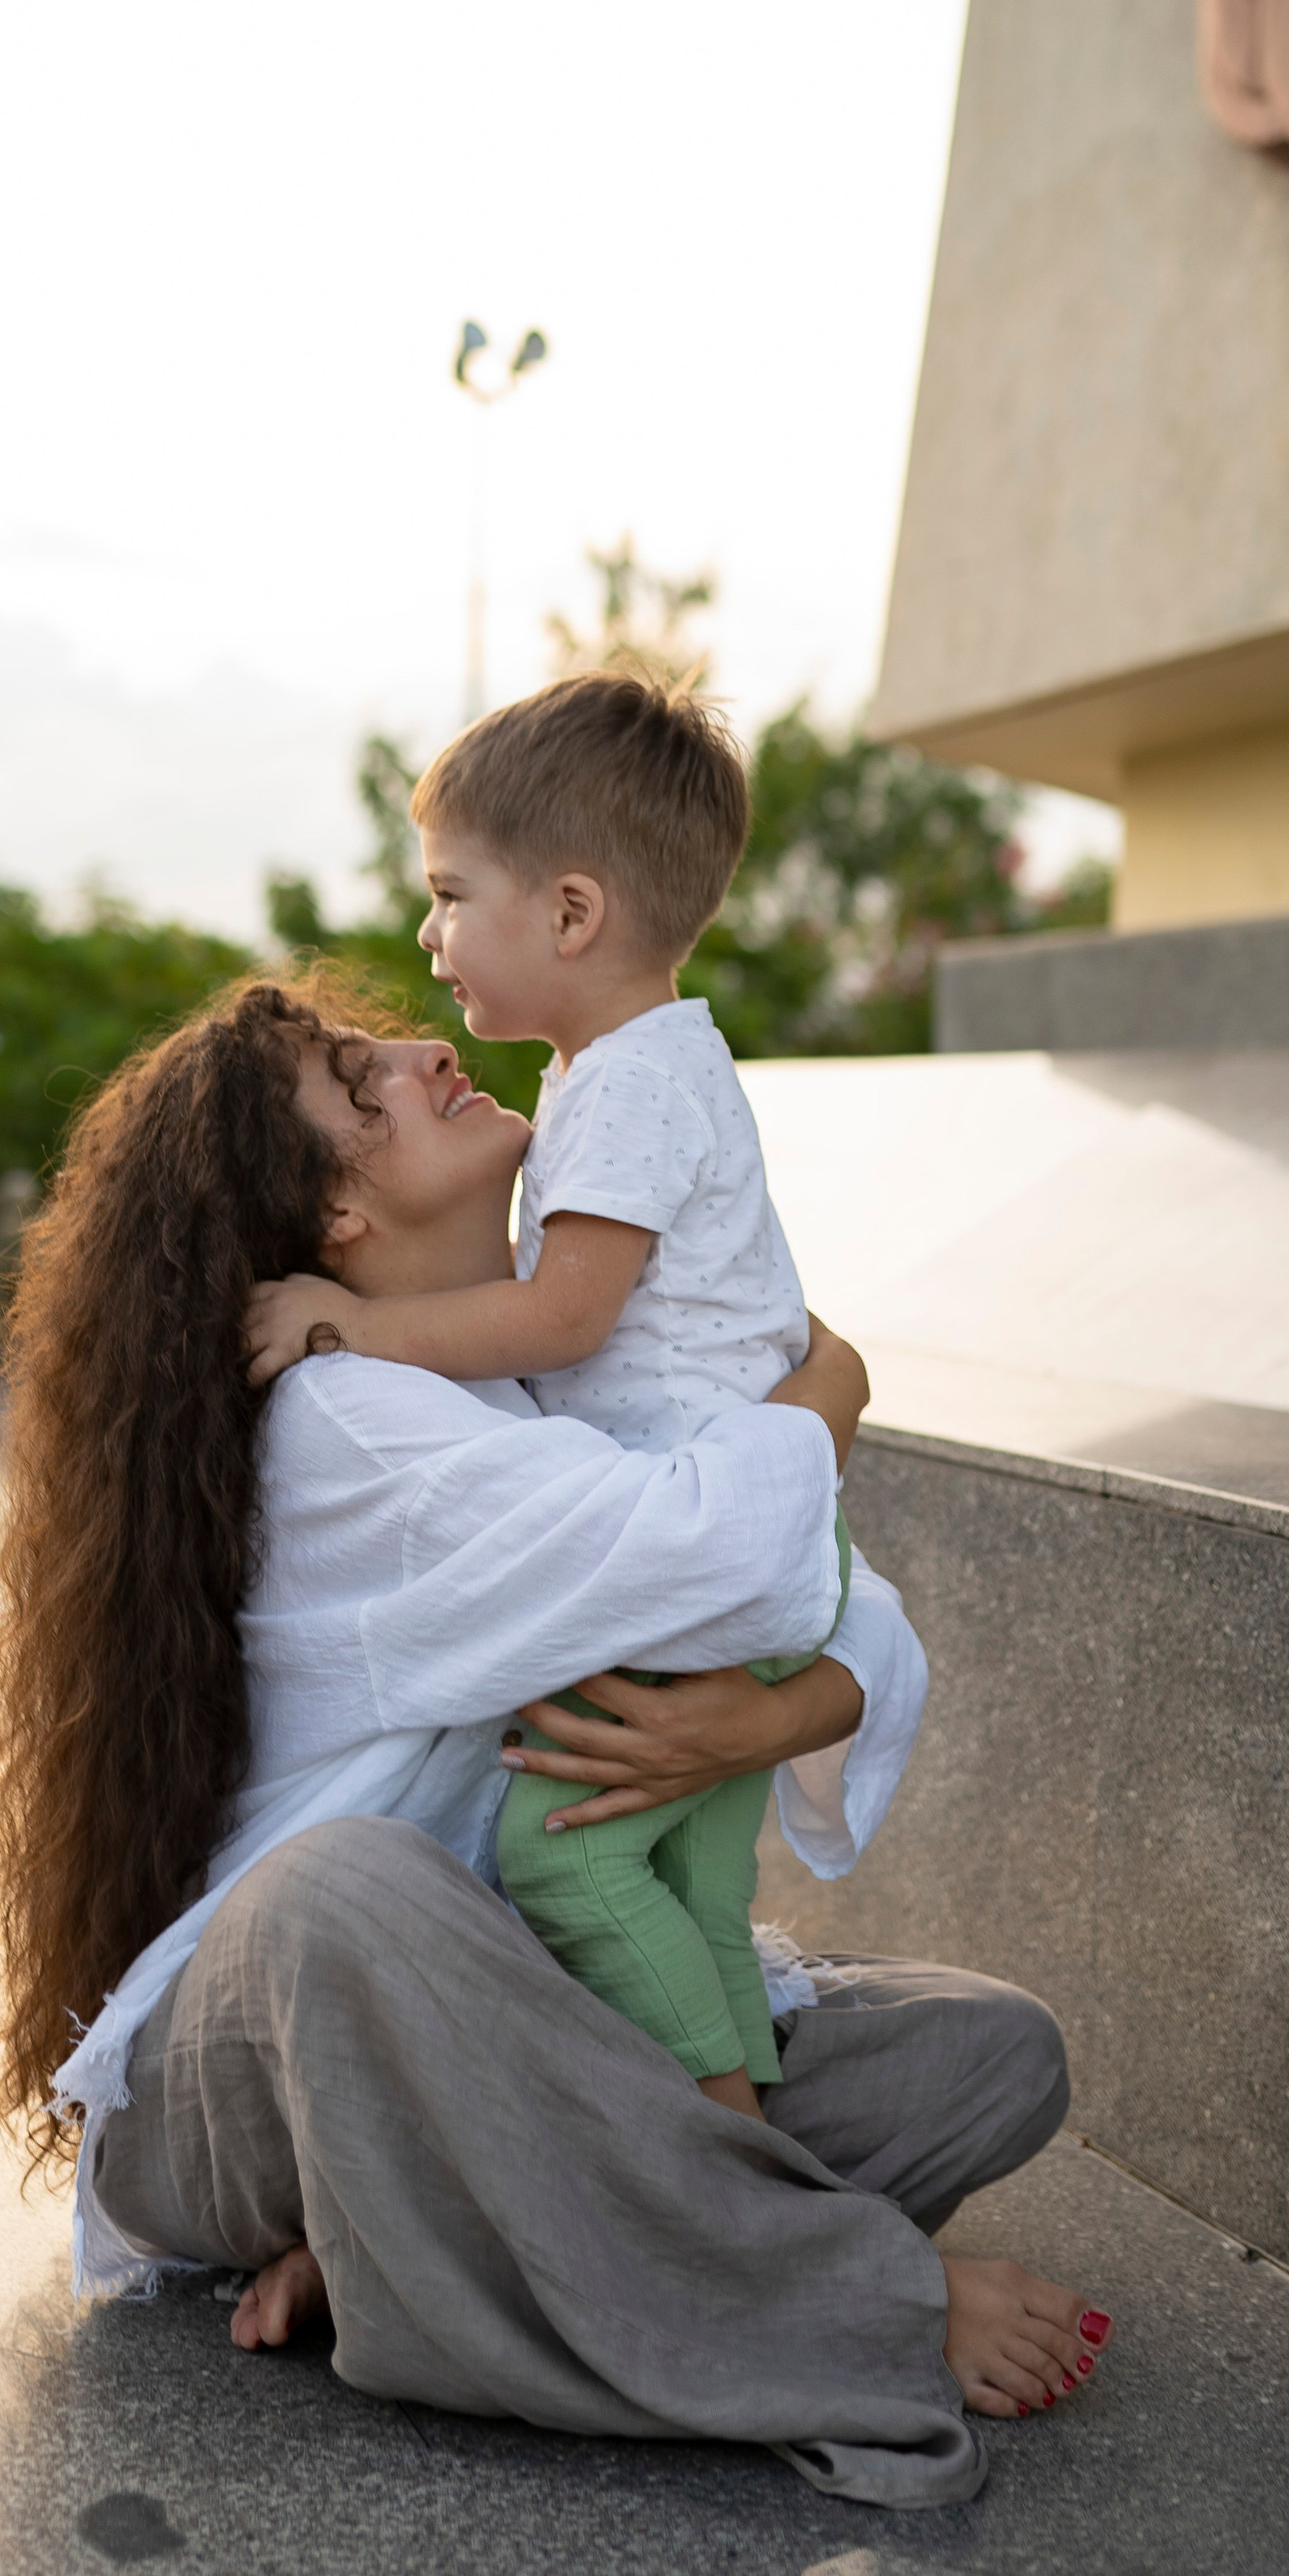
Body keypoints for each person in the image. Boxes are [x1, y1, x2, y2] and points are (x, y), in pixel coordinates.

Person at [0, 975, 1113, 2514]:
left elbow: (844, 1611)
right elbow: (720, 1547)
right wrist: (832, 1381)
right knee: (344, 1889)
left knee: (985, 2054)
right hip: (249, 2070)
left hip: (492, 2030)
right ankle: (852, 2302)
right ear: (331, 1215)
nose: (425, 1049)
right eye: (356, 1079)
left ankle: (417, 2232)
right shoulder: (348, 1417)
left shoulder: (548, 1374)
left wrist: (770, 1715)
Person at [243, 673, 843, 2123]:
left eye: (450, 897)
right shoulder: (635, 1071)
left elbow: (566, 1316)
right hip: (737, 1558)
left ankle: (723, 2162)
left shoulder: (624, 1089)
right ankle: (748, 2128)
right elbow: (796, 1344)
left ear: (571, 917)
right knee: (689, 1885)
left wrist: (353, 1327)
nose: (429, 941)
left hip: (701, 1561)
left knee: (573, 1861)